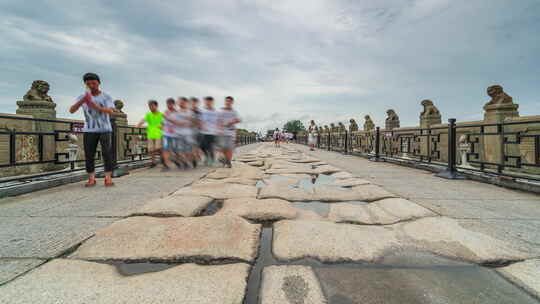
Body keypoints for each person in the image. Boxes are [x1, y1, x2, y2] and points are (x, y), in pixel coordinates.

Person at [69, 73, 115, 187]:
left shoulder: (106, 96)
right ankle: (91, 179)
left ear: (98, 83)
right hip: (89, 129)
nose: (91, 85)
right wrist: (83, 100)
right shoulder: (82, 97)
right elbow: (71, 110)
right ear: (85, 84)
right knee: (89, 154)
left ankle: (108, 178)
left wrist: (94, 105)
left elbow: (110, 111)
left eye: (93, 83)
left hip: (105, 129)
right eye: (88, 83)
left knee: (106, 153)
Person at [136, 100, 163, 168]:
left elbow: (165, 123)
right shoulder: (148, 114)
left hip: (158, 134)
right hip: (150, 134)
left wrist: (162, 126)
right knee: (151, 149)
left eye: (152, 106)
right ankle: (153, 162)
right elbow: (143, 120)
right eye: (149, 106)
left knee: (158, 148)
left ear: (156, 106)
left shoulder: (161, 114)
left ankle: (163, 158)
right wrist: (138, 125)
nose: (150, 107)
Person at [218, 96, 241, 168]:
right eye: (226, 101)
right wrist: (219, 129)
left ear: (232, 102)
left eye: (229, 101)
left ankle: (228, 162)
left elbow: (238, 119)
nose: (228, 102)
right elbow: (218, 121)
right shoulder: (221, 111)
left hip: (231, 132)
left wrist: (231, 122)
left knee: (230, 148)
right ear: (225, 102)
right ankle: (224, 159)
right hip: (223, 132)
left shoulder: (234, 112)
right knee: (223, 147)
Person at [176, 97, 195, 168]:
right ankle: (185, 162)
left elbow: (193, 122)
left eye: (182, 102)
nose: (180, 103)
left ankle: (191, 159)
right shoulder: (176, 112)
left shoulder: (190, 112)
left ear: (186, 103)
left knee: (188, 150)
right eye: (179, 102)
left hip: (188, 133)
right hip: (178, 134)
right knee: (180, 149)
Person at [161, 98, 180, 170]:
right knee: (165, 149)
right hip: (166, 134)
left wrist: (168, 119)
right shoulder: (165, 112)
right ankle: (166, 165)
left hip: (175, 135)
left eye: (170, 104)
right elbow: (162, 123)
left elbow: (178, 123)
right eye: (167, 104)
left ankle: (177, 161)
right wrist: (161, 127)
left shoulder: (177, 113)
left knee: (176, 150)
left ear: (173, 104)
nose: (169, 105)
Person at [200, 96, 218, 165]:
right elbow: (200, 120)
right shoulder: (203, 111)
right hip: (203, 132)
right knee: (202, 146)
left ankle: (211, 159)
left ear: (212, 102)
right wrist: (202, 125)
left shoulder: (215, 112)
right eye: (206, 101)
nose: (208, 103)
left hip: (213, 132)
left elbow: (218, 121)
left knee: (210, 146)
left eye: (209, 102)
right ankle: (207, 156)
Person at [190, 97, 203, 166]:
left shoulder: (200, 112)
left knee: (195, 146)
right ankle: (194, 157)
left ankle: (195, 158)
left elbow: (200, 122)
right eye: (192, 103)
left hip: (197, 132)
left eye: (195, 103)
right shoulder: (187, 111)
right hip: (188, 132)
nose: (193, 104)